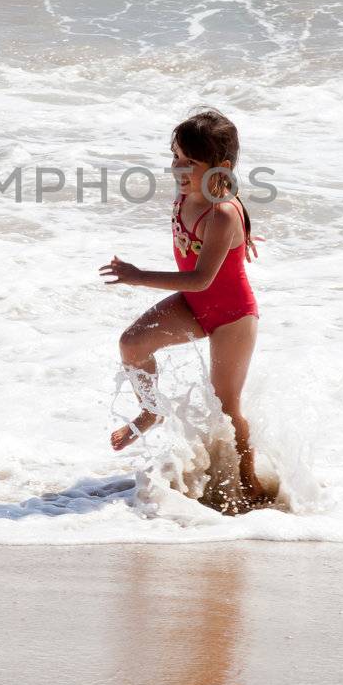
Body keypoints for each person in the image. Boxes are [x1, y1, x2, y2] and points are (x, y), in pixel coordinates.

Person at [99, 108, 269, 510]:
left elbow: (201, 279)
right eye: (175, 157)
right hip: (195, 307)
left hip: (232, 317)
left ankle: (251, 483)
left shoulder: (222, 212)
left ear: (219, 168)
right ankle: (150, 411)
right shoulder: (191, 191)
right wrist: (240, 239)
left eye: (189, 162)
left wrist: (138, 276)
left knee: (227, 407)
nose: (178, 169)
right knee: (132, 344)